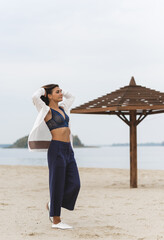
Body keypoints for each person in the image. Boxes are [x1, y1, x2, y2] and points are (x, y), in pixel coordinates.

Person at [27, 84, 81, 229]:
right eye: (57, 92)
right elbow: (34, 97)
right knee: (57, 183)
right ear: (49, 96)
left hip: (68, 150)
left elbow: (72, 97)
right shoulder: (45, 110)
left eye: (61, 91)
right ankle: (56, 221)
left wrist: (60, 88)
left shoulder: (63, 108)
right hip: (56, 149)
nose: (61, 93)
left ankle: (52, 204)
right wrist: (44, 90)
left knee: (75, 184)